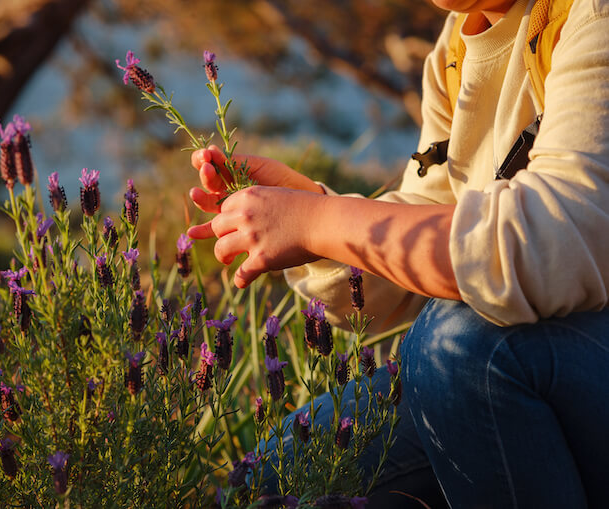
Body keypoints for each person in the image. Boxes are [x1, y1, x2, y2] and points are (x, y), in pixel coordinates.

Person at [187, 0, 609, 506]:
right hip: (519, 368)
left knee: (459, 345)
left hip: (547, 358)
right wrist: (310, 214)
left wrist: (318, 222)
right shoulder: (456, 47)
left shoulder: (589, 16)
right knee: (265, 482)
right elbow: (418, 254)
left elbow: (554, 243)